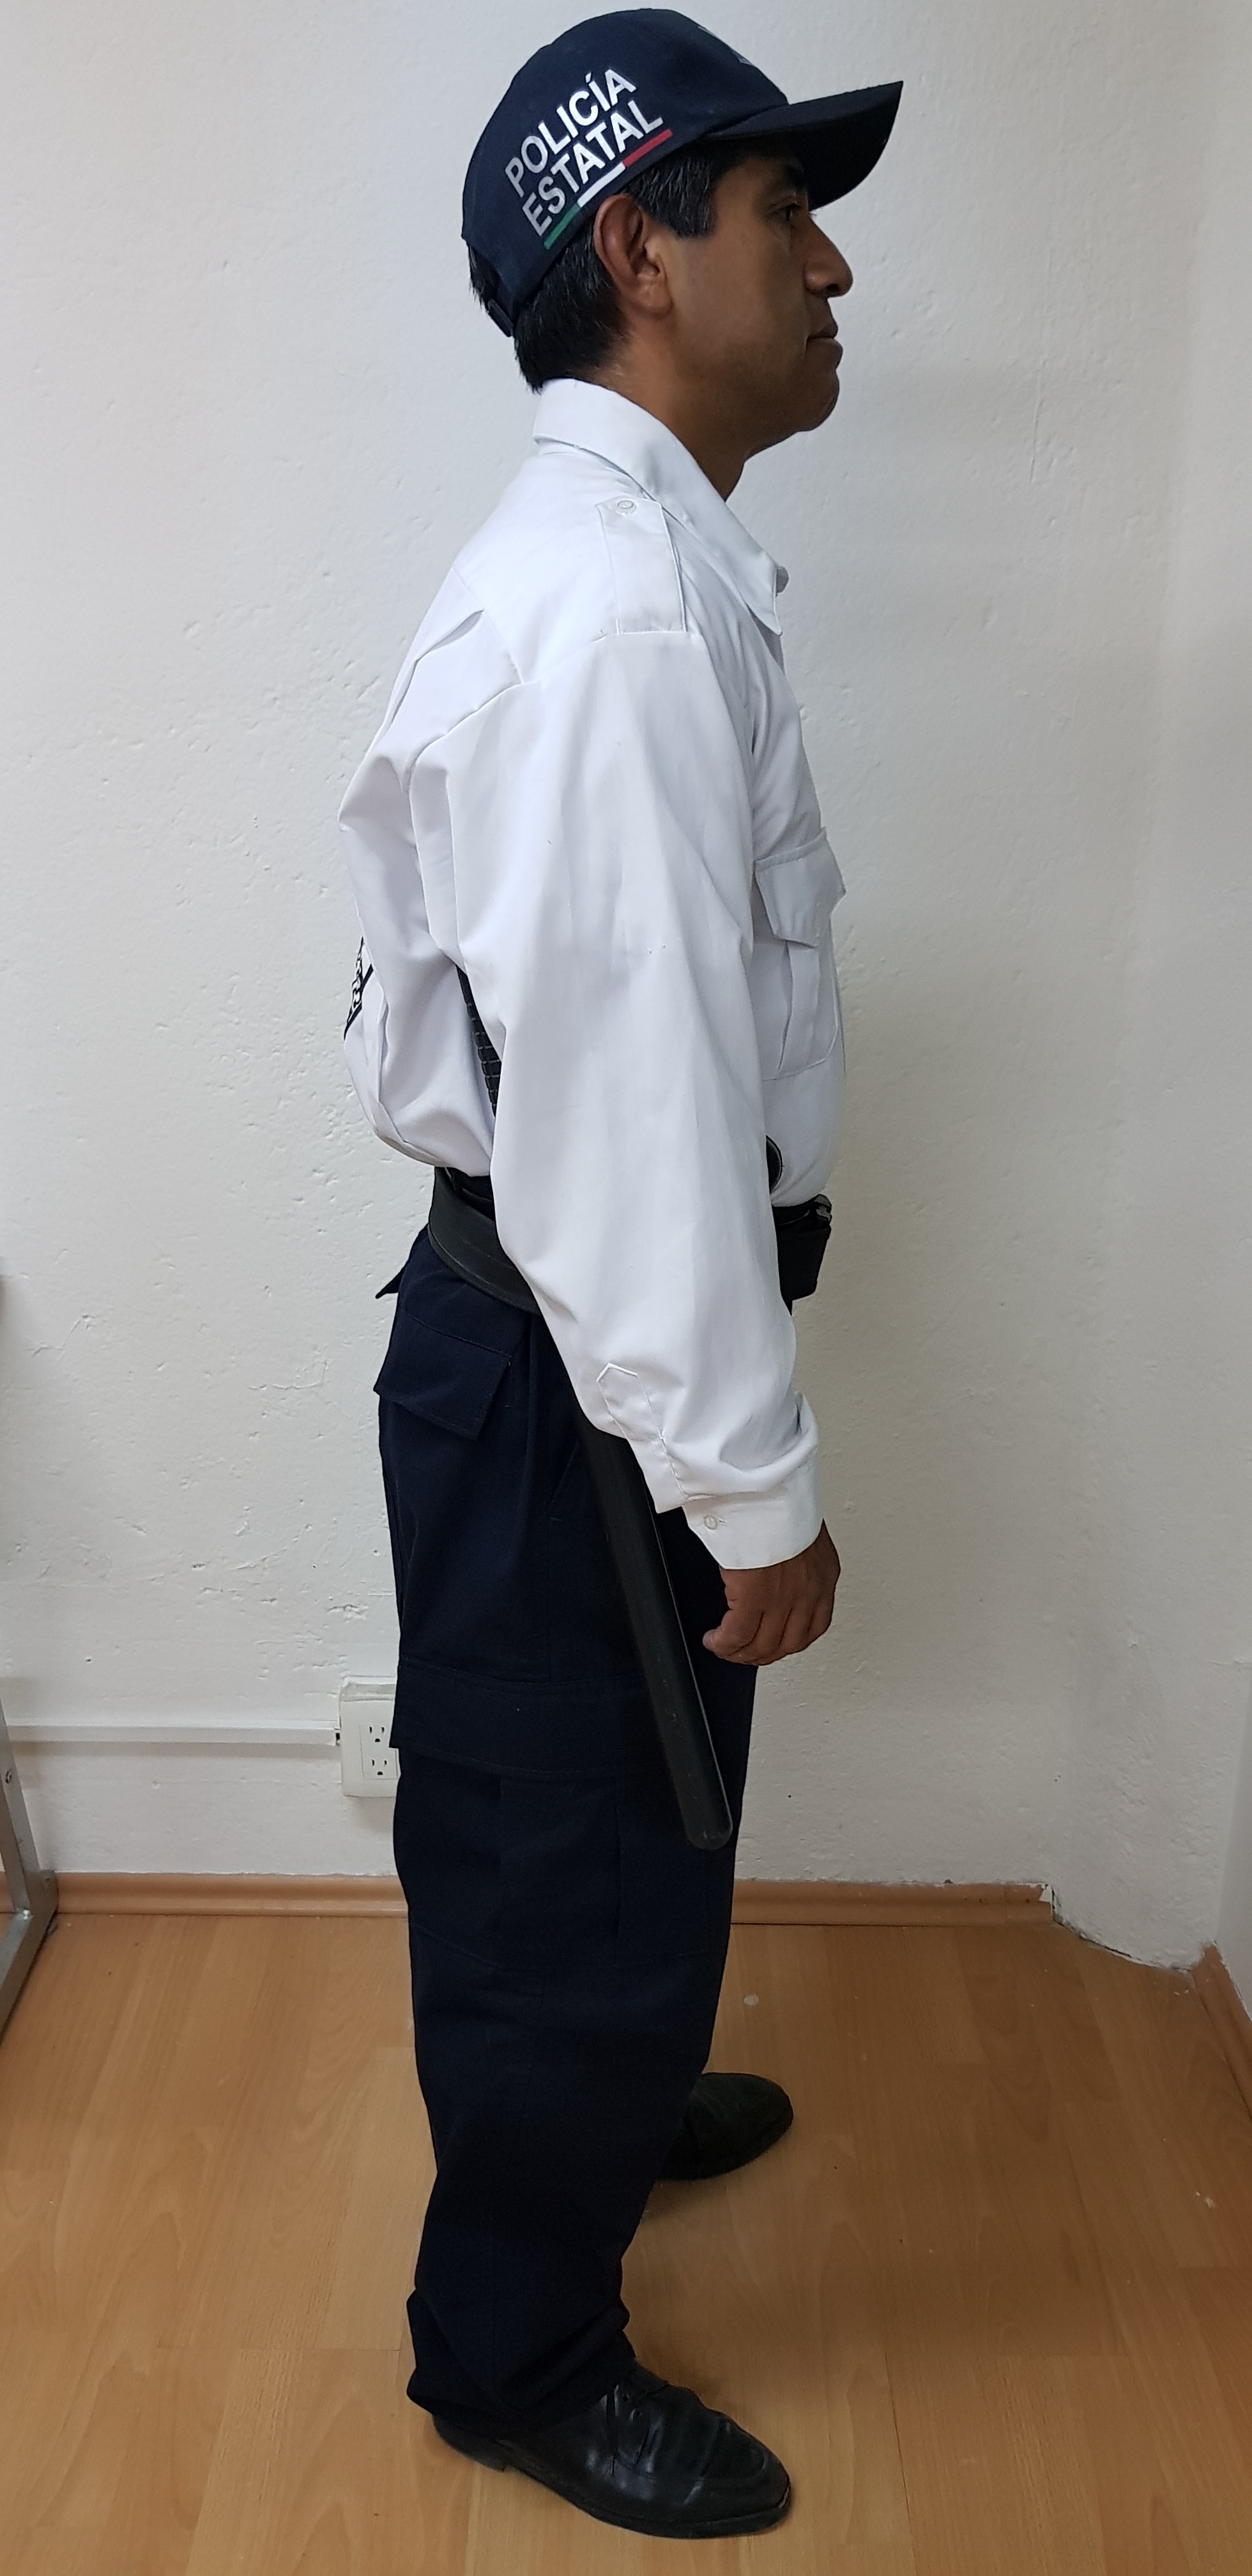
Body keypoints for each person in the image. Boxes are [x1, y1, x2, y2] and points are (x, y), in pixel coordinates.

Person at [338, 10, 899, 2541]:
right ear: (640, 254)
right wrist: (754, 1490)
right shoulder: (613, 622)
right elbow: (631, 1127)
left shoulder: (638, 566)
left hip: (581, 1354)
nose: (831, 264)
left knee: (624, 1822)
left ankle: (609, 2084)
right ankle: (517, 2354)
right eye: (785, 216)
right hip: (585, 1363)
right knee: (562, 1855)